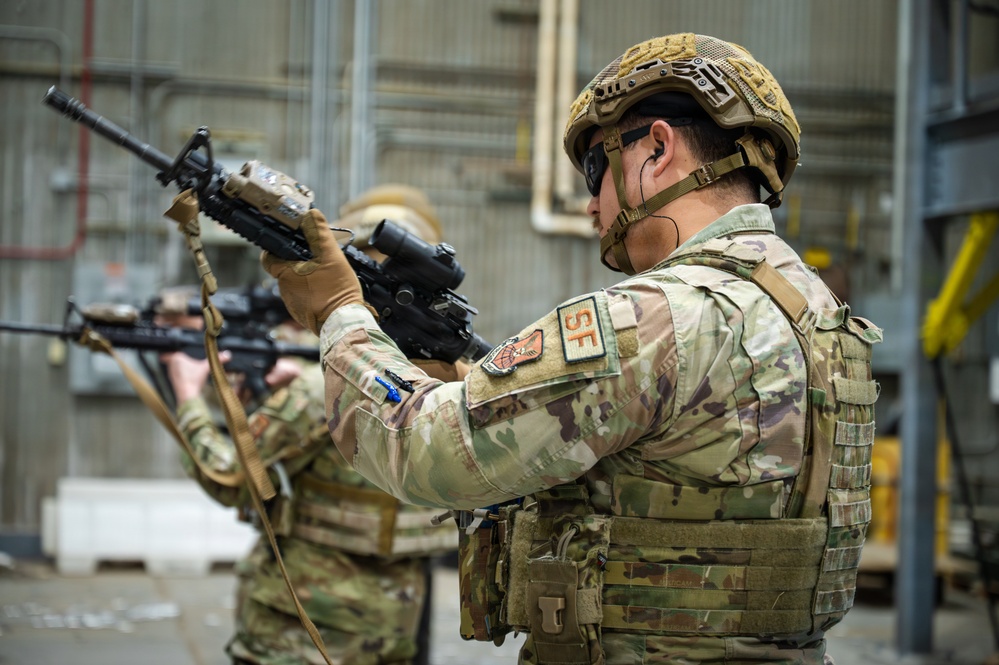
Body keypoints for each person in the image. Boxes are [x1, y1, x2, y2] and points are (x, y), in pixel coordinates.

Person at [259, 33, 883, 665]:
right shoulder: (823, 318)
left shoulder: (655, 318)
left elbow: (429, 451)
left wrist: (340, 313)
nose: (590, 203)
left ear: (658, 148)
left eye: (594, 169)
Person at [162, 185, 462, 665]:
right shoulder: (445, 388)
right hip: (394, 633)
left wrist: (187, 397)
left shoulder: (317, 391)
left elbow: (229, 477)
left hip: (297, 638)